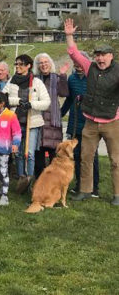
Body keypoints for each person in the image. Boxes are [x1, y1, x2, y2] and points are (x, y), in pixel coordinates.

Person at [64, 18, 119, 205]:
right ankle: (85, 190)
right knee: (85, 157)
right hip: (90, 122)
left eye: (103, 55)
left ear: (111, 56)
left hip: (112, 122)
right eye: (98, 55)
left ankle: (117, 195)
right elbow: (74, 53)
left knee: (116, 161)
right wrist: (69, 36)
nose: (100, 58)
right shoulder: (90, 67)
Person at [3, 54, 51, 182]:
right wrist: (18, 101)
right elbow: (3, 98)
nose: (18, 67)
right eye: (16, 64)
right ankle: (21, 179)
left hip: (32, 123)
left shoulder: (36, 82)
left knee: (29, 153)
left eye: (21, 64)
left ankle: (30, 179)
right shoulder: (12, 81)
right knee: (18, 153)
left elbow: (46, 102)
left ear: (28, 66)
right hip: (16, 122)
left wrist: (31, 104)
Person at [60, 55, 100, 196]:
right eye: (75, 62)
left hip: (90, 122)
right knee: (76, 155)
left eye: (80, 62)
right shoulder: (72, 79)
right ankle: (80, 186)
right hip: (74, 122)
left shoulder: (93, 78)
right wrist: (59, 114)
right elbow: (69, 99)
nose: (77, 65)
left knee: (90, 155)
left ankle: (94, 187)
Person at [32, 53, 69, 178]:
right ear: (37, 66)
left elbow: (64, 93)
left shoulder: (57, 78)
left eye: (46, 62)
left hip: (53, 123)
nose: (44, 65)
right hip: (38, 121)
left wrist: (63, 76)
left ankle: (54, 185)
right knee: (39, 160)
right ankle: (39, 185)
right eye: (41, 63)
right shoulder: (35, 79)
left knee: (54, 158)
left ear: (50, 63)